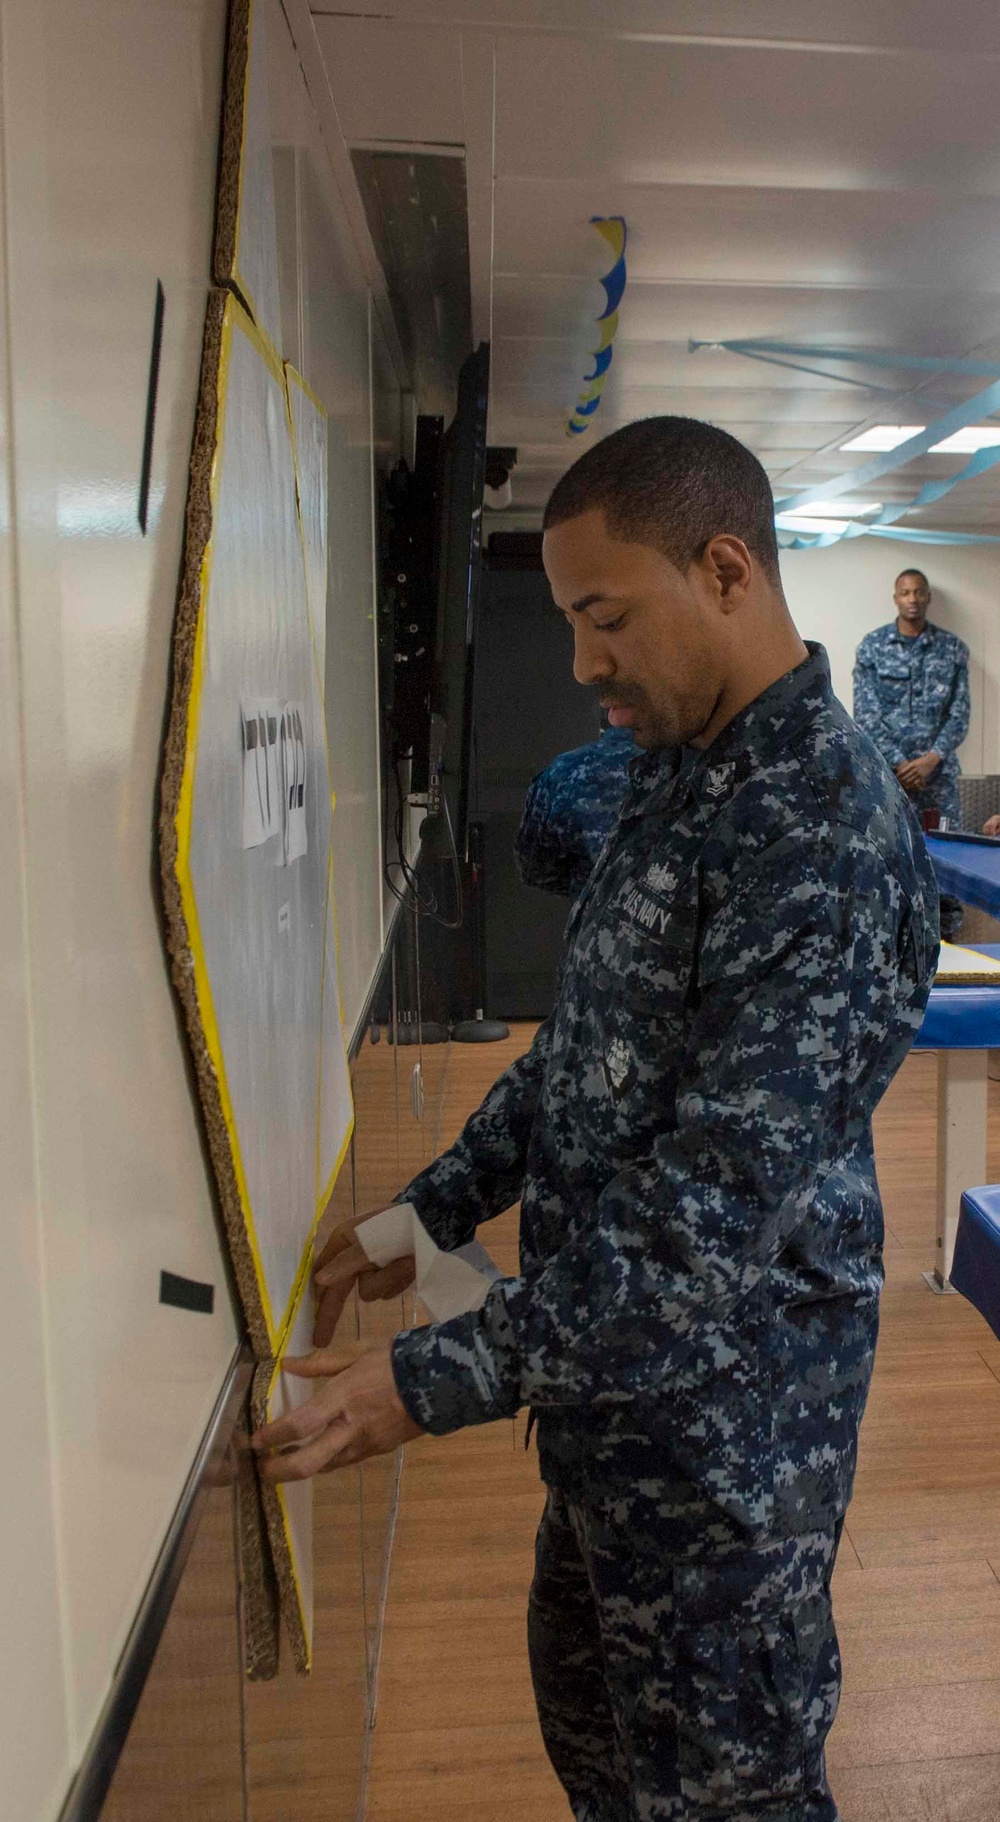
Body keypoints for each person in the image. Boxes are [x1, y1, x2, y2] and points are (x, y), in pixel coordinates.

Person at [253, 418, 939, 1822]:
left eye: (605, 614)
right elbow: (587, 1053)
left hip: (730, 1456)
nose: (582, 663)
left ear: (728, 569)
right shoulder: (686, 774)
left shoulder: (821, 832)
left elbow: (705, 1224)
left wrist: (426, 1378)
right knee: (603, 1758)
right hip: (609, 1414)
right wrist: (427, 1208)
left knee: (725, 1798)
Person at [853, 570, 970, 938]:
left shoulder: (952, 649)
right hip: (889, 779)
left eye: (919, 592)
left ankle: (948, 942)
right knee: (887, 855)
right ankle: (891, 941)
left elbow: (960, 712)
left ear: (928, 597)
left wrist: (931, 759)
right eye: (905, 593)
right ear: (896, 598)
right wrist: (902, 764)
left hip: (939, 782)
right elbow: (865, 713)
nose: (913, 599)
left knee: (948, 865)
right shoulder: (872, 647)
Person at [514, 723, 636, 898]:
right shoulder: (682, 765)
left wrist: (585, 885)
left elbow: (535, 869)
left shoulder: (566, 770)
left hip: (597, 916)